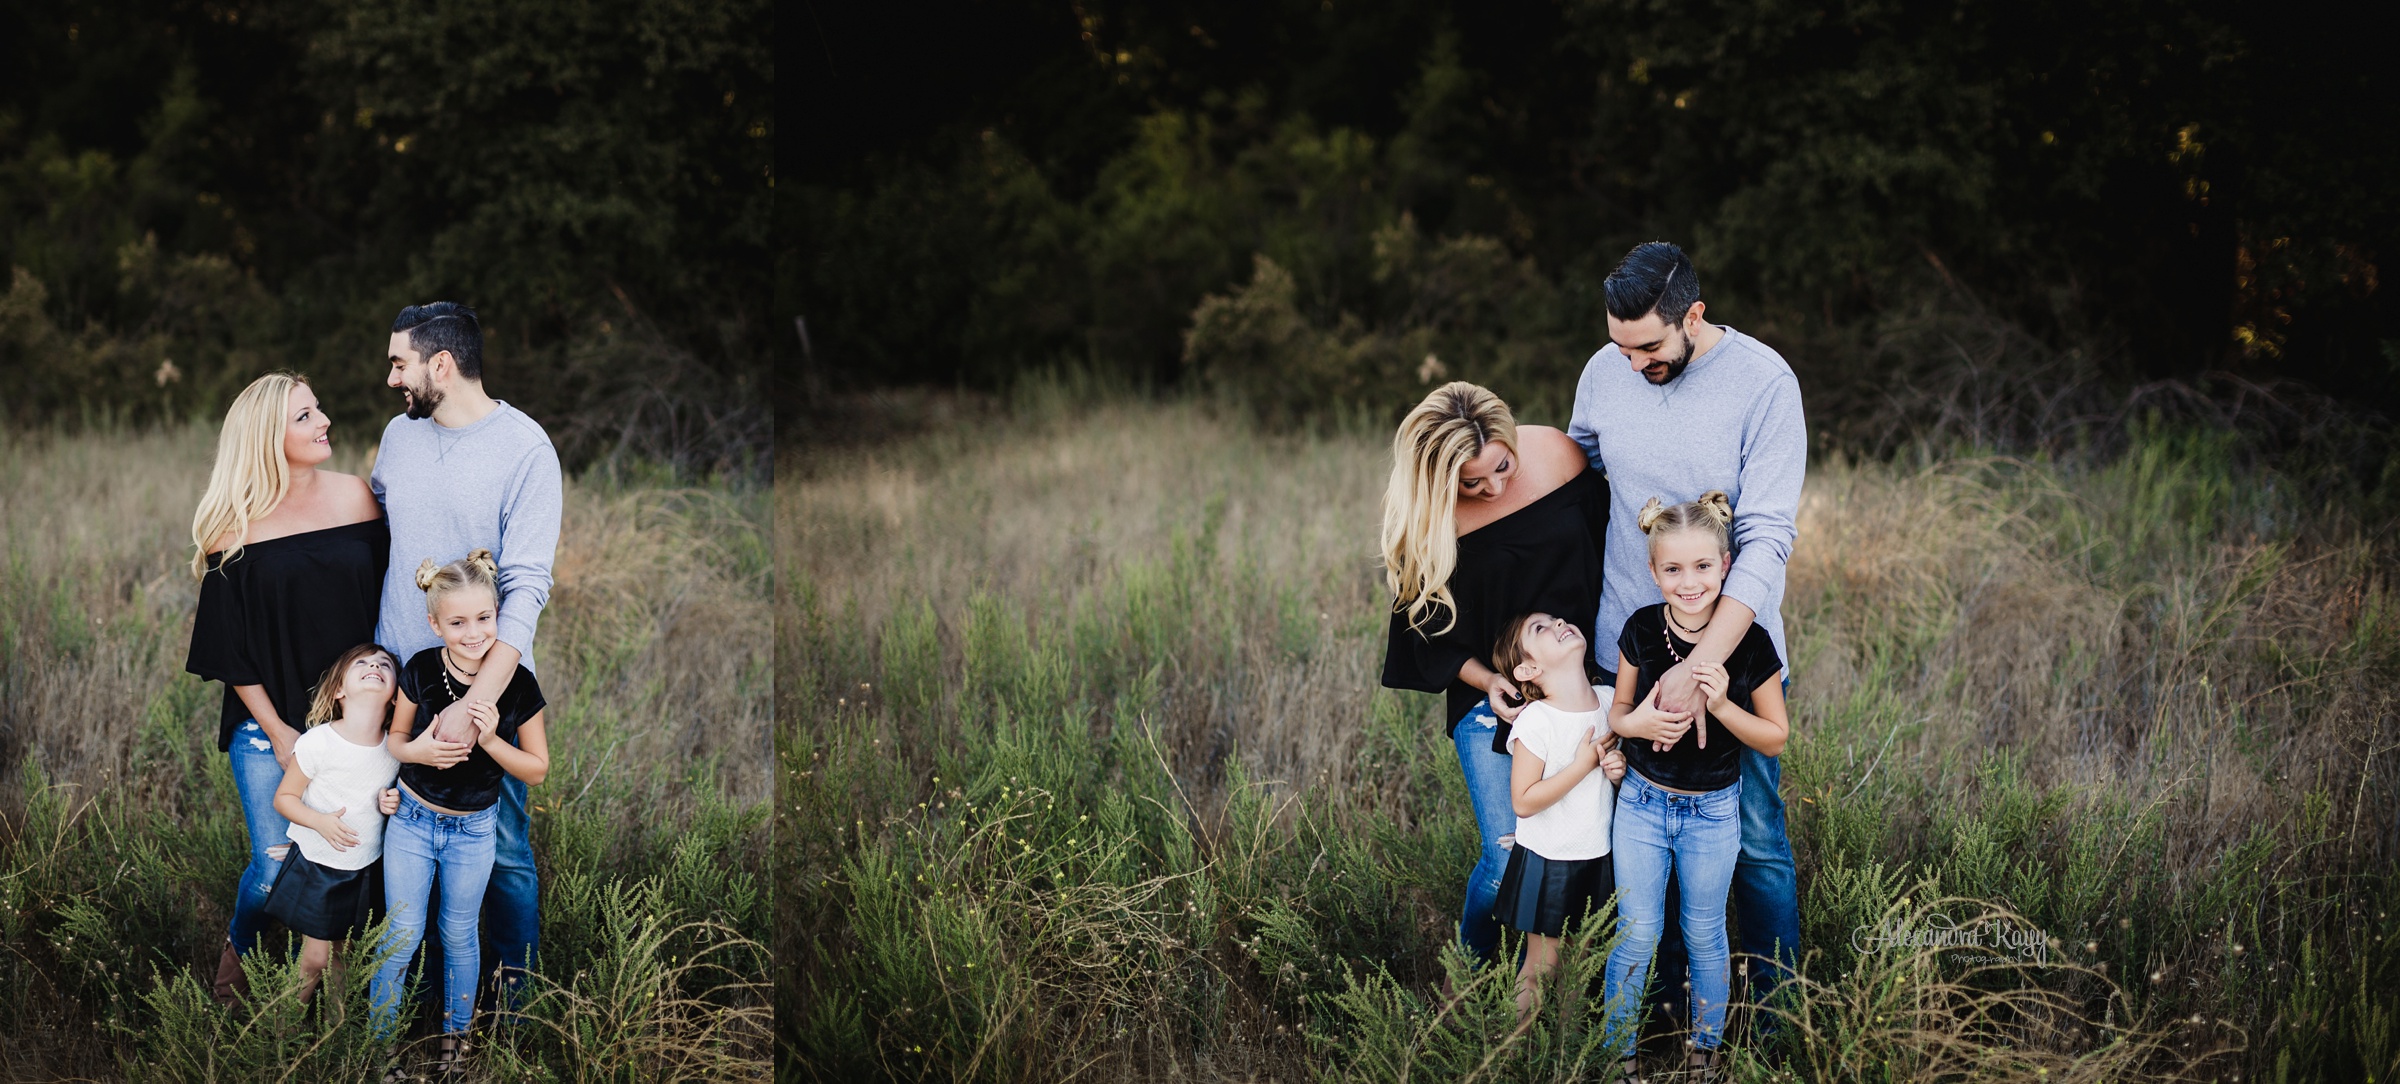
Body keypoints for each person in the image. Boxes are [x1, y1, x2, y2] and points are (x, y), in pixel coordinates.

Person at [1567, 242, 1806, 1010]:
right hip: (1624, 654)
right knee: (1637, 851)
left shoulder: (1764, 382)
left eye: (1649, 347)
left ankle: (1773, 1017)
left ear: (1692, 316)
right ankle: (1667, 1015)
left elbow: (1767, 537)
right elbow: (1577, 479)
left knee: (1758, 850)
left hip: (1734, 659)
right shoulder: (1607, 370)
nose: (1632, 364)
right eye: (1619, 346)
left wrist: (1700, 666)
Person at [1379, 381, 1610, 965]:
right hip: (1493, 697)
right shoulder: (1430, 521)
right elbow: (1425, 633)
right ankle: (1473, 969)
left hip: (1585, 678)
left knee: (1598, 848)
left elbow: (1616, 554)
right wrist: (1488, 681)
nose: (1494, 488)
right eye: (1472, 483)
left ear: (1510, 438)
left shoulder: (1559, 455)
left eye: (1502, 466)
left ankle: (1572, 972)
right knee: (1510, 851)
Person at [373, 301, 562, 1002]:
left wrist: (475, 706)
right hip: (400, 689)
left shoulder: (526, 449)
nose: (392, 378)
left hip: (487, 694)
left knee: (505, 854)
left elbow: (527, 586)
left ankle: (515, 1013)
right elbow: (369, 520)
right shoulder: (399, 436)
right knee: (395, 852)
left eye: (400, 362)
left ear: (441, 364)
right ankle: (412, 1011)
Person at [184, 371, 388, 1005]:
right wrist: (280, 734)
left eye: (318, 407)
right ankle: (238, 959)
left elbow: (388, 608)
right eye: (304, 415)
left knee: (356, 862)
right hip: (269, 725)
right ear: (267, 436)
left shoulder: (357, 496)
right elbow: (229, 651)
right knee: (276, 863)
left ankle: (338, 998)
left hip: (357, 726)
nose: (323, 420)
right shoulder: (232, 528)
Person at [1601, 494, 1788, 1082]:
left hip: (1712, 812)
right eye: (1673, 569)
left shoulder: (1750, 642)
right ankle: (1619, 1053)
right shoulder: (1641, 630)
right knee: (1638, 935)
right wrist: (1639, 725)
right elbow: (1620, 713)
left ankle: (1704, 1051)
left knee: (1705, 934)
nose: (1689, 582)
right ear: (1653, 571)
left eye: (1703, 567)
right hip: (1641, 805)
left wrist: (1722, 703)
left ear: (1726, 565)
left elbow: (1775, 737)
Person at [371, 551, 551, 1064]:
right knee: (402, 934)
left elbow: (537, 769)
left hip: (474, 831)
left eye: (485, 618)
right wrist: (417, 752)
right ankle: (381, 1048)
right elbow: (395, 739)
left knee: (458, 933)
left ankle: (455, 1043)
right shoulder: (424, 668)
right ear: (434, 623)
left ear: (500, 614)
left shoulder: (517, 684)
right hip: (410, 819)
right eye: (457, 622)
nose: (473, 633)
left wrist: (492, 740)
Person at [1487, 611, 1627, 1019]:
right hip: (1550, 862)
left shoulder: (1607, 700)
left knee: (1580, 968)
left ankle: (1565, 1056)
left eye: (1554, 619)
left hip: (1597, 853)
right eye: (1540, 628)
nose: (1558, 622)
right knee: (1540, 969)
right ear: (1529, 668)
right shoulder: (1537, 720)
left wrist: (1615, 772)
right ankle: (1511, 1057)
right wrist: (1583, 766)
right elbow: (1524, 801)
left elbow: (1609, 780)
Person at [262, 643, 406, 1008]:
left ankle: (334, 1035)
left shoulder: (394, 747)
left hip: (362, 867)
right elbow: (285, 798)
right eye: (362, 663)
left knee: (344, 956)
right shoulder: (319, 742)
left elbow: (376, 794)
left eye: (384, 664)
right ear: (339, 690)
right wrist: (319, 822)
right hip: (320, 864)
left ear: (394, 696)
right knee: (314, 959)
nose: (374, 665)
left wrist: (387, 802)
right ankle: (279, 1036)